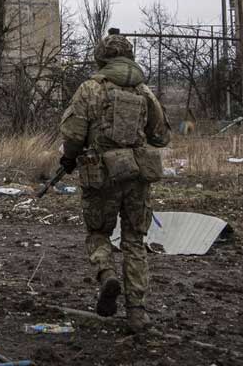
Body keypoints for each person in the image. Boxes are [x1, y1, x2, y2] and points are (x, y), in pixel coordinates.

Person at [59, 29, 170, 332]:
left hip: (101, 176)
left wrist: (68, 158)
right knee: (134, 240)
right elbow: (160, 137)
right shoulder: (144, 91)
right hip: (137, 176)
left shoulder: (90, 89)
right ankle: (137, 313)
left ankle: (106, 274)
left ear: (101, 58)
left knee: (97, 232)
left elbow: (72, 134)